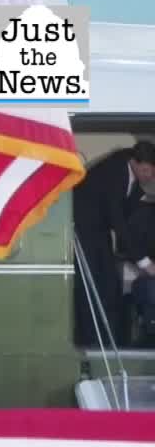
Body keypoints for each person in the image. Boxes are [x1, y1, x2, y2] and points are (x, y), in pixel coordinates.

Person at [72, 139, 155, 346]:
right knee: (90, 289)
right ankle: (91, 344)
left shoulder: (133, 177)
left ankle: (111, 342)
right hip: (82, 231)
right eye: (146, 170)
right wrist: (144, 263)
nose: (149, 176)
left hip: (99, 232)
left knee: (110, 286)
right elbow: (119, 222)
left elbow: (131, 218)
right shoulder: (114, 170)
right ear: (135, 163)